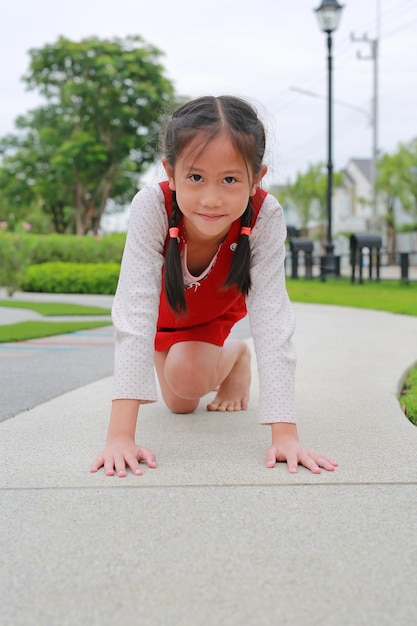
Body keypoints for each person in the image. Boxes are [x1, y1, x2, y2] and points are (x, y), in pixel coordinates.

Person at [90, 95, 338, 478]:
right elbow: (134, 314)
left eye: (230, 180)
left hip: (209, 316)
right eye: (195, 177)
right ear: (169, 172)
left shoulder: (265, 215)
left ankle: (235, 356)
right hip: (160, 316)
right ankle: (212, 357)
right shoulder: (151, 206)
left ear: (257, 177)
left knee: (188, 376)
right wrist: (120, 437)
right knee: (180, 404)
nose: (211, 198)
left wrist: (285, 434)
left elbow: (273, 318)